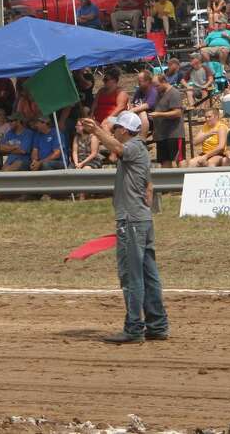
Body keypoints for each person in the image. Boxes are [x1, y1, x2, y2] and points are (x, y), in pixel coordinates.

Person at [80, 112, 168, 344]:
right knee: (149, 275)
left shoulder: (135, 147)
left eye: (117, 128)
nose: (114, 131)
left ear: (124, 130)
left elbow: (118, 150)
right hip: (142, 219)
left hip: (131, 221)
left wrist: (97, 130)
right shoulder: (140, 151)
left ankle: (134, 327)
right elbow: (147, 186)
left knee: (131, 276)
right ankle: (157, 324)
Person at [148, 74, 185, 168]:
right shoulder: (159, 94)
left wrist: (159, 114)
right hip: (161, 135)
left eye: (157, 86)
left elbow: (177, 113)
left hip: (174, 134)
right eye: (154, 86)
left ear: (164, 82)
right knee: (164, 161)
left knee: (179, 160)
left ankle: (184, 181)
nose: (155, 88)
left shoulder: (174, 93)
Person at [127, 71, 157, 135]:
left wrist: (131, 111)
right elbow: (133, 103)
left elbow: (147, 105)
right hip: (136, 118)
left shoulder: (153, 91)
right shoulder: (139, 90)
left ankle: (141, 139)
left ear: (148, 81)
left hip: (151, 118)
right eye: (138, 80)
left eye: (140, 81)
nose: (138, 83)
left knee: (142, 112)